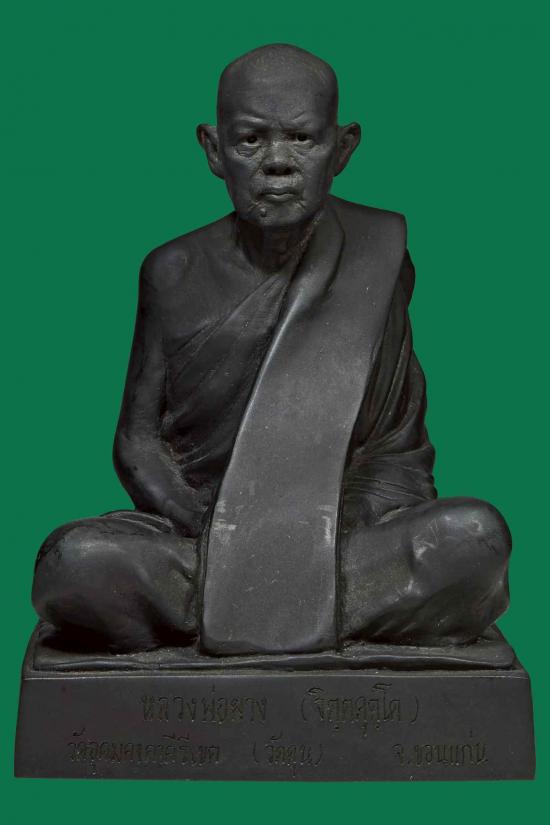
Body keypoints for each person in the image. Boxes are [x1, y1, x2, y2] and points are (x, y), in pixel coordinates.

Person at [32, 44, 510, 655]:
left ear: (342, 149)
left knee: (474, 537)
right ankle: (296, 612)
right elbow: (139, 443)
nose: (277, 164)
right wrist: (216, 526)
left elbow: (394, 451)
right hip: (203, 536)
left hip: (336, 536)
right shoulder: (172, 272)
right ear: (213, 150)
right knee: (73, 563)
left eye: (302, 139)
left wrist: (311, 531)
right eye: (251, 141)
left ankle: (246, 611)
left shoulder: (375, 254)